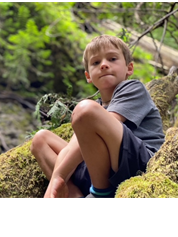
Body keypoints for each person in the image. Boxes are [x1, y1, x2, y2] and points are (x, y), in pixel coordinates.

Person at [29, 35, 166, 198]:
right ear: (88, 76)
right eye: (96, 62)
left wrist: (58, 176)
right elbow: (73, 147)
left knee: (85, 110)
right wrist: (56, 181)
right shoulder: (97, 108)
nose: (104, 65)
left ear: (129, 68)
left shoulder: (133, 88)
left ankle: (100, 193)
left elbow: (96, 121)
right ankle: (73, 195)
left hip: (141, 164)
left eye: (112, 59)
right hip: (101, 169)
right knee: (41, 139)